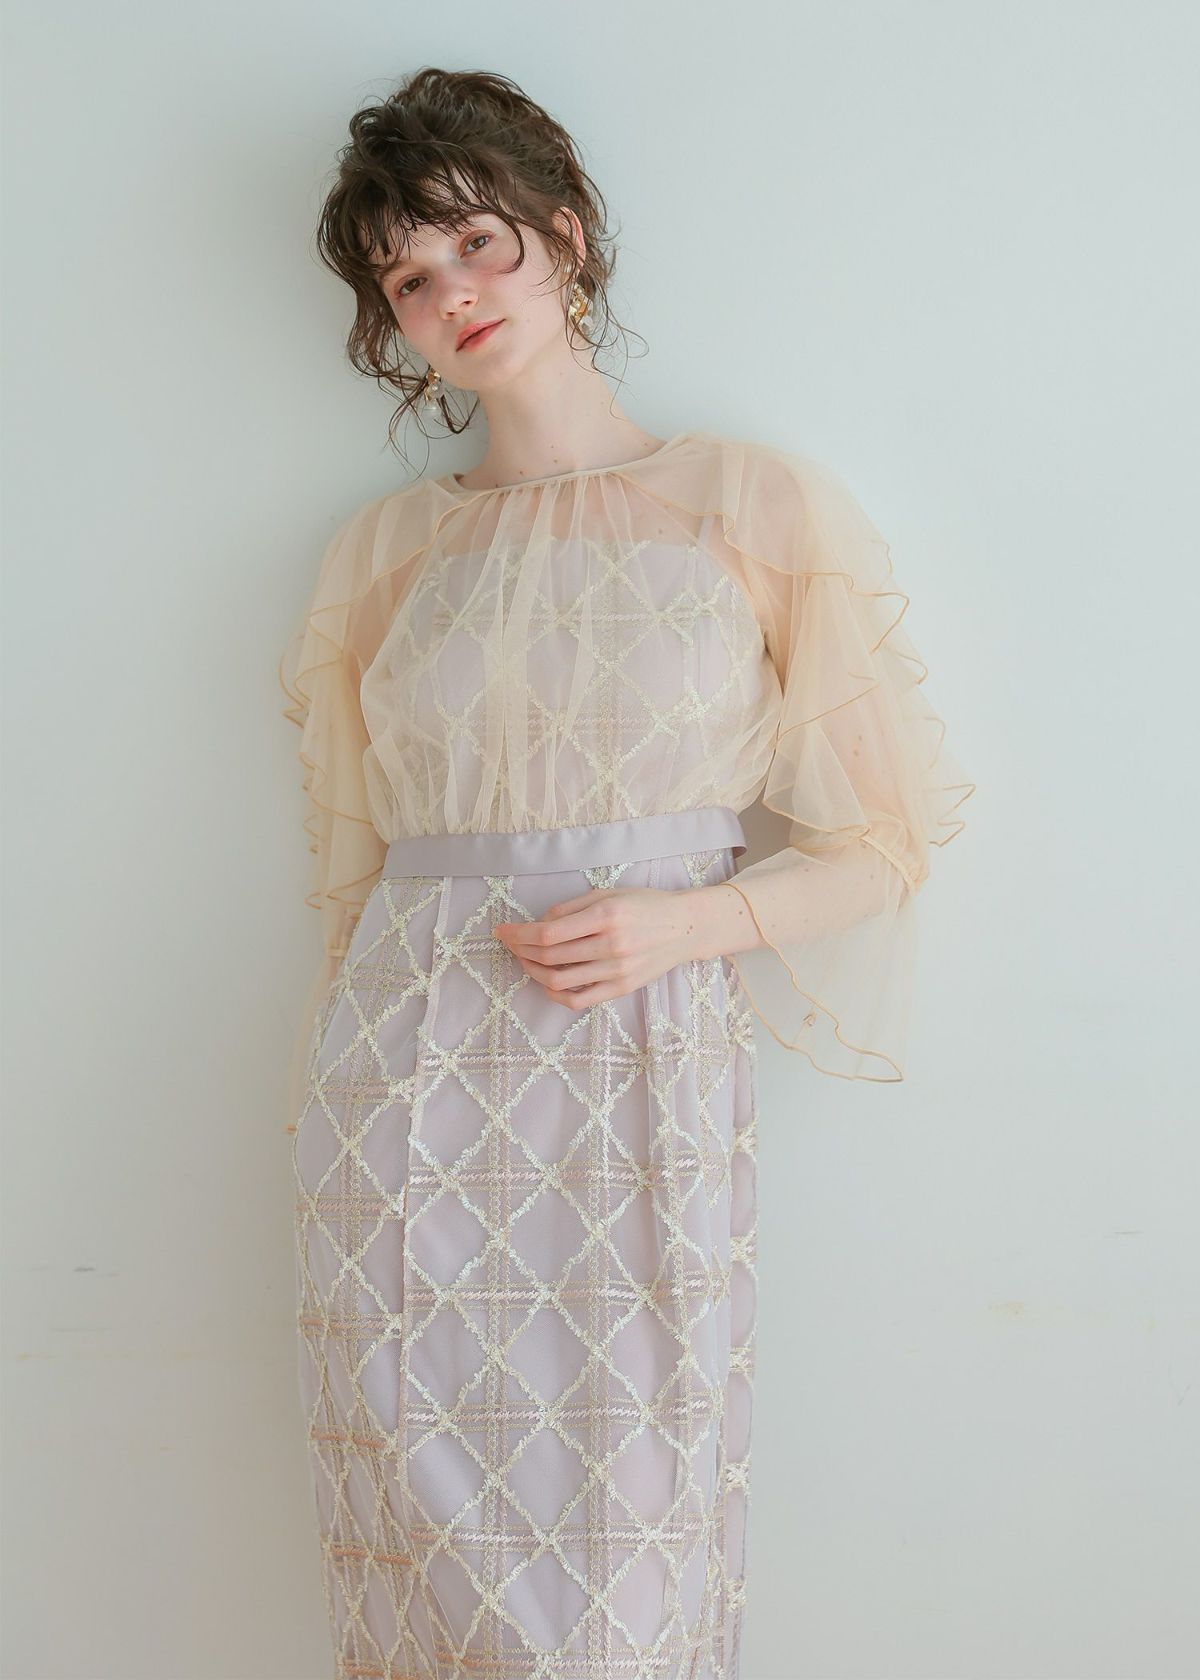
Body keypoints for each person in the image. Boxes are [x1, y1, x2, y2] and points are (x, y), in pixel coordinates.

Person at [278, 65, 974, 1680]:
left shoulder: (750, 501)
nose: (453, 293)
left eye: (476, 242)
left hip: (638, 1080)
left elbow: (886, 839)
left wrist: (695, 921)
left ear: (566, 237)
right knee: (426, 1582)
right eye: (409, 277)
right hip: (404, 1096)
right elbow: (352, 884)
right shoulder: (383, 556)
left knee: (621, 1576)